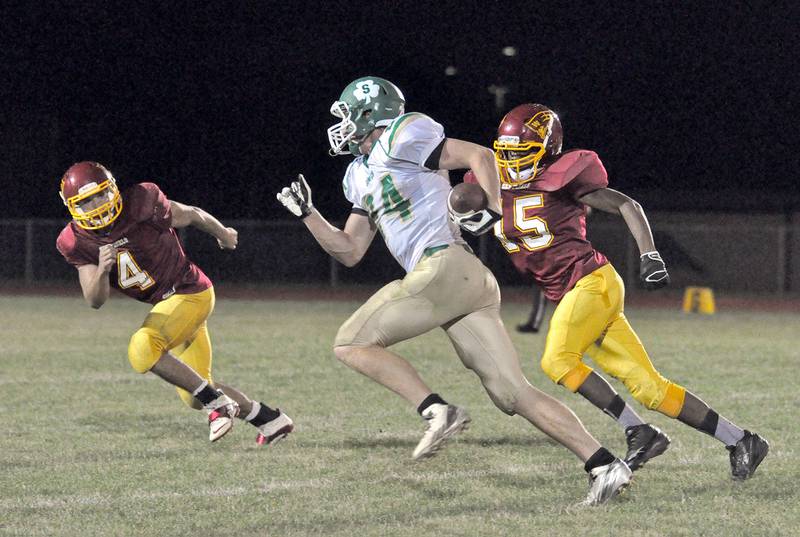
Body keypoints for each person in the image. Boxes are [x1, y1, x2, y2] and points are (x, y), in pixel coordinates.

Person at [278, 76, 631, 505]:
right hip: (459, 282)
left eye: (348, 114)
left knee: (351, 342)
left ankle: (435, 410)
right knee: (511, 393)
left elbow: (478, 155)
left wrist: (500, 212)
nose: (343, 124)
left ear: (371, 114)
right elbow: (350, 250)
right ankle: (604, 463)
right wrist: (308, 214)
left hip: (444, 264)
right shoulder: (357, 175)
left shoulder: (403, 133)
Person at [462, 103, 768, 479]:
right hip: (572, 291)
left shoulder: (562, 177)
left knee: (557, 361)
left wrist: (649, 253)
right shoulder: (490, 182)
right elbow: (469, 208)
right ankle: (740, 440)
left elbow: (626, 203)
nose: (510, 161)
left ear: (547, 149)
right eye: (505, 153)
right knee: (649, 388)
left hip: (591, 281)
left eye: (521, 152)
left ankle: (637, 430)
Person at [56, 161, 293, 445]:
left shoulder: (142, 203)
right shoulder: (74, 241)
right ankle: (270, 420)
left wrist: (224, 234)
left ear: (114, 189)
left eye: (101, 194)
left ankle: (217, 405)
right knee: (193, 393)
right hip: (171, 308)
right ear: (71, 206)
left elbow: (191, 214)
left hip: (190, 292)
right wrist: (102, 270)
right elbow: (95, 300)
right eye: (86, 201)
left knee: (142, 346)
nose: (97, 205)